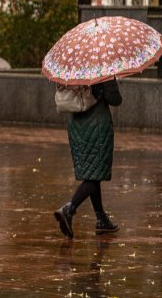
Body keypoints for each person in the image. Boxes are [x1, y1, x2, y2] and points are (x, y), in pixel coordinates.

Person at [54, 78, 122, 238]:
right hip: (97, 124)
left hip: (76, 125)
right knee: (94, 174)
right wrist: (111, 82)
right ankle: (69, 209)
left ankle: (101, 219)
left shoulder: (72, 69)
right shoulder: (102, 69)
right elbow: (115, 99)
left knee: (92, 172)